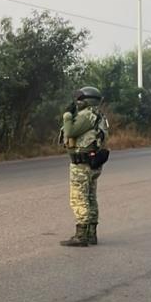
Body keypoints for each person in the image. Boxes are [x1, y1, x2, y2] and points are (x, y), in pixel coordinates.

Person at [60, 86, 109, 247]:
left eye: (80, 99)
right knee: (90, 197)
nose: (77, 102)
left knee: (79, 198)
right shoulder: (98, 116)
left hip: (82, 163)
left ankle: (81, 236)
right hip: (92, 161)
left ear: (88, 101)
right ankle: (91, 234)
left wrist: (67, 116)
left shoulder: (87, 115)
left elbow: (71, 131)